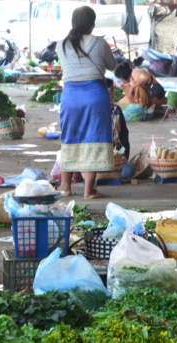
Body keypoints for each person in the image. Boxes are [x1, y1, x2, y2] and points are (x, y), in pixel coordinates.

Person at [56, 5, 117, 199]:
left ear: (73, 23)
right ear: (92, 24)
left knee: (69, 139)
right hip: (94, 96)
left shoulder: (61, 45)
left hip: (70, 96)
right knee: (94, 138)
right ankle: (88, 190)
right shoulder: (99, 43)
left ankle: (65, 187)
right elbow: (113, 66)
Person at [106, 78, 130, 161]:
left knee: (129, 170)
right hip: (99, 158)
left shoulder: (117, 110)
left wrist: (124, 155)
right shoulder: (93, 112)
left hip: (116, 155)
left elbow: (124, 137)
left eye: (112, 91)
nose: (112, 94)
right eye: (108, 92)